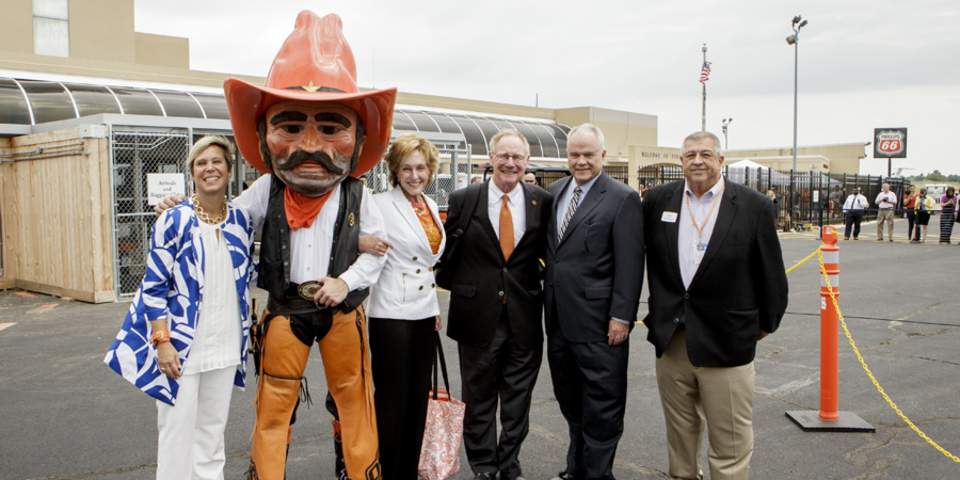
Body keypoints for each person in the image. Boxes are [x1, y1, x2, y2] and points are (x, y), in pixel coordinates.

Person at [154, 12, 393, 479]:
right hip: (286, 311)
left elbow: (377, 254)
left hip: (344, 316)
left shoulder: (360, 196)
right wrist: (183, 206)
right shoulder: (266, 191)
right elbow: (221, 220)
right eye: (290, 127)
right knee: (274, 408)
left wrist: (346, 281)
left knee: (356, 400)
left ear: (358, 137)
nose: (309, 144)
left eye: (329, 128)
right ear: (264, 138)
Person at [105, 136, 256, 480]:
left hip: (226, 344)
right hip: (182, 347)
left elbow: (245, 273)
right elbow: (154, 287)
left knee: (212, 435)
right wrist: (162, 341)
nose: (209, 168)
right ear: (192, 172)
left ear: (229, 170)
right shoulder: (173, 220)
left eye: (217, 161)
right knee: (176, 435)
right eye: (201, 163)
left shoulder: (241, 222)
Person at [642, 131, 788, 480]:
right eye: (690, 154)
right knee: (680, 434)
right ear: (680, 161)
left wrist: (763, 324)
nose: (697, 160)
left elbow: (772, 275)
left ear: (721, 161)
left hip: (728, 341)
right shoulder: (658, 201)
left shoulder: (753, 206)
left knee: (730, 441)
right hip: (673, 338)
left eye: (706, 154)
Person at [436, 129, 552, 480]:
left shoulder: (541, 202)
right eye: (504, 156)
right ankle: (484, 467)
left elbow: (546, 254)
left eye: (517, 157)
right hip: (476, 318)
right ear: (490, 158)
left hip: (524, 318)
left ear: (527, 162)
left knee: (517, 403)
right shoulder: (463, 199)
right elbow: (447, 254)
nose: (510, 163)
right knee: (478, 400)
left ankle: (509, 464)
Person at [544, 124, 643, 480]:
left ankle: (598, 474)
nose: (581, 161)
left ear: (603, 155)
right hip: (558, 322)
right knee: (571, 402)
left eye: (588, 154)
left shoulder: (622, 198)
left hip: (601, 326)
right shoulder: (555, 192)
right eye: (574, 154)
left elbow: (630, 264)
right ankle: (577, 469)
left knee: (602, 407)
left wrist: (622, 317)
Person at [360, 134, 446, 480]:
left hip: (424, 313)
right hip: (391, 313)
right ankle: (390, 470)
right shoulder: (379, 203)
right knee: (393, 400)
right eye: (407, 168)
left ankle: (408, 469)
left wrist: (435, 305)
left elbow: (428, 264)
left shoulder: (428, 203)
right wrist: (359, 240)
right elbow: (342, 232)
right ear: (395, 171)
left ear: (430, 169)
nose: (414, 175)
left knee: (417, 398)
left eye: (421, 168)